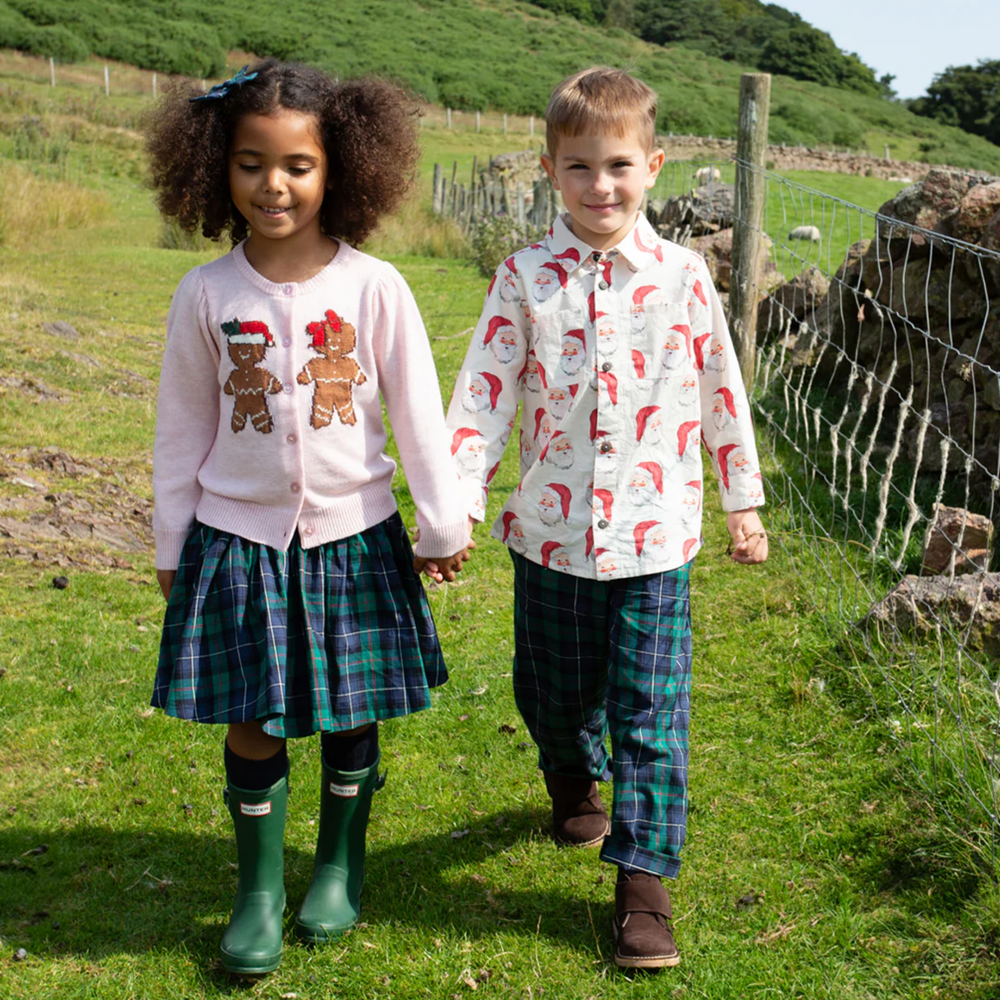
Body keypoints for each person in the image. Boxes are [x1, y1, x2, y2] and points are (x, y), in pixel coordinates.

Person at [144, 60, 471, 976]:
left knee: (348, 709)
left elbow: (417, 416)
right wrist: (173, 541)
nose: (273, 185)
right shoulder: (205, 295)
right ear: (217, 167)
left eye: (297, 165)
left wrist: (441, 525)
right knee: (250, 713)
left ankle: (337, 862)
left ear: (342, 170)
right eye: (251, 164)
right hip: (236, 541)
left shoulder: (377, 289)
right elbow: (181, 431)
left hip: (353, 537)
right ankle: (256, 889)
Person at [443, 67, 768, 970]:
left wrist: (741, 500)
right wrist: (456, 503)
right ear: (552, 170)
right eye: (580, 167)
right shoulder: (522, 279)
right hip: (548, 543)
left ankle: (644, 886)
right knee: (555, 697)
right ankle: (567, 773)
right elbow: (483, 395)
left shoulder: (685, 278)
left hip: (655, 539)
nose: (601, 186)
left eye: (619, 165)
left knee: (653, 713)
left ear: (654, 166)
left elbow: (720, 392)